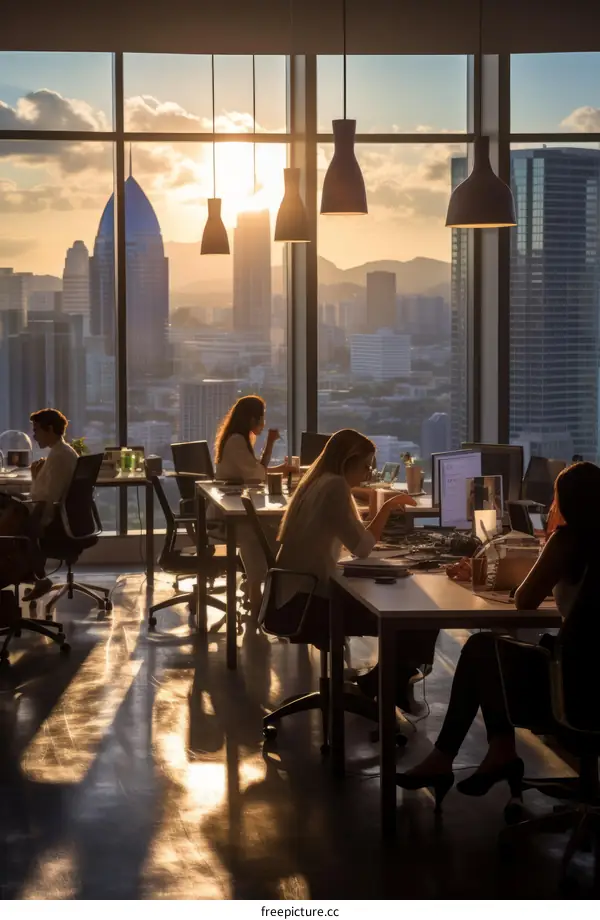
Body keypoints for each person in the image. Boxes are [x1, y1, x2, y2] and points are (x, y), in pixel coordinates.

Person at [395, 461, 600, 810]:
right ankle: (496, 752)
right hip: (593, 684)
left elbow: (525, 600)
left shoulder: (568, 541)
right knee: (492, 652)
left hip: (575, 692)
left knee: (482, 649)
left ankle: (459, 756)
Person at [273, 428, 440, 711]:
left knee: (408, 610)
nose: (368, 472)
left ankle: (380, 683)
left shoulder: (316, 482)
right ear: (347, 461)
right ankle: (386, 686)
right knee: (418, 614)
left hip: (291, 600)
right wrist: (387, 507)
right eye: (365, 466)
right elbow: (362, 547)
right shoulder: (335, 487)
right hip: (308, 606)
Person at [213, 395, 291, 621]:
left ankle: (257, 587)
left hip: (236, 508)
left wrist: (271, 446)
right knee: (270, 533)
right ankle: (258, 589)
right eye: (261, 418)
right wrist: (278, 465)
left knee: (270, 530)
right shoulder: (237, 441)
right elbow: (257, 474)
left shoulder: (239, 438)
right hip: (229, 515)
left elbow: (256, 470)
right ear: (252, 419)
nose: (263, 423)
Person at [23, 408, 78, 600]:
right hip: (64, 516)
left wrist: (34, 478)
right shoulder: (63, 452)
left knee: (16, 527)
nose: (34, 435)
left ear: (50, 429)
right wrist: (37, 477)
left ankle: (38, 577)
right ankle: (37, 577)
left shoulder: (59, 457)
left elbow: (48, 498)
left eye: (36, 430)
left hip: (55, 520)